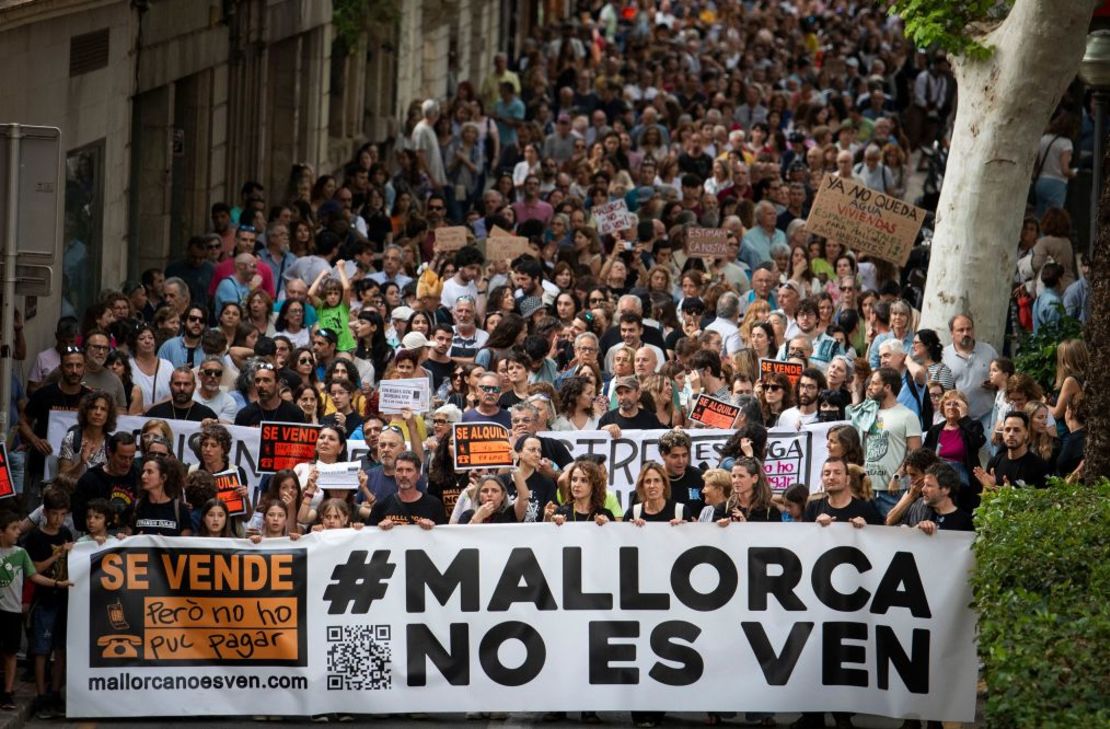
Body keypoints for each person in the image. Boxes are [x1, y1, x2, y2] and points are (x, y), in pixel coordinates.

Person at [0, 511, 72, 712]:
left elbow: (35, 576)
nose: (18, 532)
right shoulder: (27, 543)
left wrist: (58, 583)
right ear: (1, 531)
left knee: (11, 652)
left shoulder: (20, 553)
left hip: (12, 610)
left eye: (18, 528)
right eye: (13, 529)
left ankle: (7, 691)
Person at [23, 487, 74, 720]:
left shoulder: (66, 533)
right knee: (42, 650)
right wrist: (58, 555)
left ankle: (55, 693)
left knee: (61, 649)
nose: (59, 519)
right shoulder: (34, 537)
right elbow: (34, 569)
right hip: (44, 600)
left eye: (63, 514)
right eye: (55, 514)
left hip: (64, 600)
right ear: (45, 512)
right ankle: (41, 695)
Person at [852, 367, 923, 518]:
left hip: (892, 492)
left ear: (888, 387)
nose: (870, 387)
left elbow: (916, 454)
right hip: (866, 490)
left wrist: (898, 475)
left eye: (875, 383)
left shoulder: (907, 416)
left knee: (892, 536)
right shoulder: (867, 413)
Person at [923, 390, 985, 509]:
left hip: (963, 488)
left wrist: (964, 418)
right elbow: (925, 457)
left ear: (963, 407)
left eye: (956, 404)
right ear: (942, 408)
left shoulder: (972, 426)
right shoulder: (935, 430)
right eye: (948, 404)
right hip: (936, 485)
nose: (952, 407)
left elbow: (977, 442)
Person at [942, 314, 998, 433]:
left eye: (969, 329)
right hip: (957, 418)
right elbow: (939, 390)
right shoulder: (943, 356)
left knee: (993, 450)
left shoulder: (988, 351)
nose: (966, 333)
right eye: (960, 330)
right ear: (952, 333)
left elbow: (1002, 378)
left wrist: (994, 384)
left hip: (987, 415)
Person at [975, 410, 1050, 490]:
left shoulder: (1039, 467)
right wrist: (990, 488)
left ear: (1026, 434)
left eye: (1016, 430)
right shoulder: (994, 463)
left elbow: (1042, 500)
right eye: (1007, 430)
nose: (1011, 434)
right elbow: (987, 499)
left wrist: (1009, 493)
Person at [370, 451, 446, 528]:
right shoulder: (381, 506)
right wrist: (380, 528)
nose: (404, 475)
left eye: (409, 470)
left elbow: (443, 536)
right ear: (395, 474)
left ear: (418, 475)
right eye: (399, 470)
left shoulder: (434, 505)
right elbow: (369, 535)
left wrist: (432, 528)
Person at [56, 390, 115, 480]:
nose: (98, 413)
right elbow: (62, 477)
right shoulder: (71, 438)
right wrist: (81, 463)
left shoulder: (112, 443)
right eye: (93, 408)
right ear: (86, 411)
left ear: (109, 415)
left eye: (103, 409)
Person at [133, 456, 192, 536]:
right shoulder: (136, 507)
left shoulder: (180, 509)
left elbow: (185, 544)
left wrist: (165, 543)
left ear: (163, 478)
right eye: (143, 472)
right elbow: (126, 538)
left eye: (149, 472)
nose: (143, 476)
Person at [234, 361, 305, 426]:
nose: (261, 385)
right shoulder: (244, 415)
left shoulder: (295, 413)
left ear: (278, 384)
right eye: (257, 381)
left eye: (266, 380)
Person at [546, 459, 615, 525]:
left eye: (584, 480)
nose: (577, 484)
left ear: (594, 485)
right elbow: (548, 535)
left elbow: (616, 536)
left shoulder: (605, 514)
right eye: (574, 479)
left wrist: (608, 526)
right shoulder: (560, 512)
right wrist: (550, 522)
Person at [715, 458, 781, 523]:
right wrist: (721, 528)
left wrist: (746, 526)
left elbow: (775, 533)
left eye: (741, 476)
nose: (736, 481)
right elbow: (713, 532)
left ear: (754, 478)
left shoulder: (771, 510)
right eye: (733, 476)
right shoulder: (723, 508)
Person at [914, 462, 974, 534]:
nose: (923, 489)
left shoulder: (965, 522)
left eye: (929, 485)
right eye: (924, 485)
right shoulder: (922, 510)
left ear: (945, 489)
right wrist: (916, 530)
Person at [145, 367, 219, 422]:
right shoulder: (155, 413)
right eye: (177, 384)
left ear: (194, 386)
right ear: (170, 385)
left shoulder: (207, 414)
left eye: (187, 384)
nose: (182, 388)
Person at [599, 376, 663, 436]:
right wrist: (604, 430)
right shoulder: (607, 419)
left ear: (638, 394)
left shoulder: (650, 419)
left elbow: (661, 441)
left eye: (627, 392)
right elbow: (595, 442)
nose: (623, 397)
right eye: (619, 393)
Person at [158, 304, 208, 369]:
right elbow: (159, 374)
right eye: (193, 319)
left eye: (202, 320)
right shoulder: (168, 346)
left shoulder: (211, 348)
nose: (197, 322)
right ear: (184, 321)